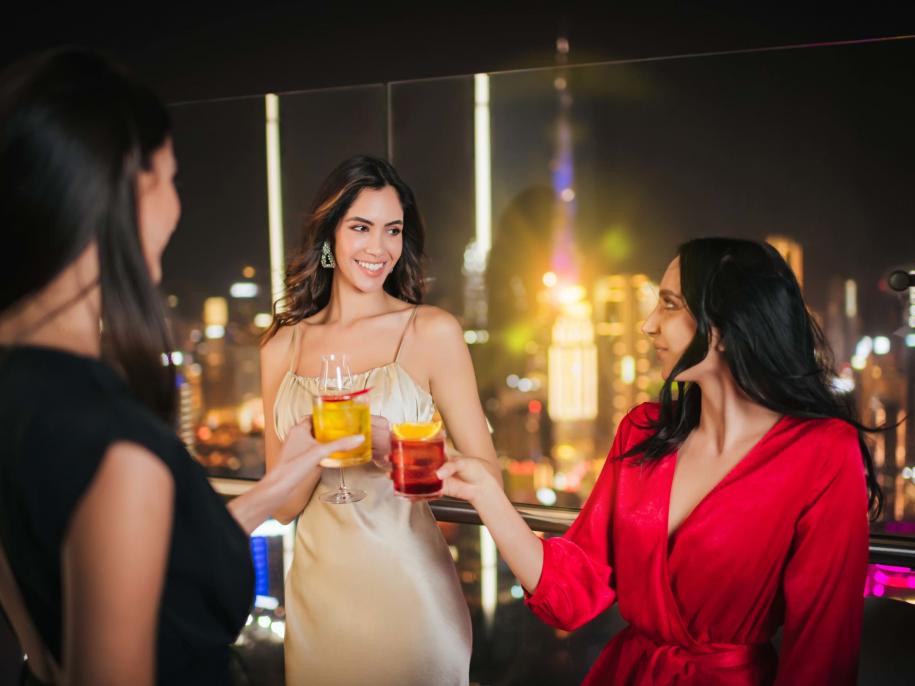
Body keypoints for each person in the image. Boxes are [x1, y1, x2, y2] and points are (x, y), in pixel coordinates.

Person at [0, 49, 371, 686]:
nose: (177, 208)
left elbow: (97, 591)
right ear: (122, 194)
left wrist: (279, 483)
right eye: (169, 179)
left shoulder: (21, 394)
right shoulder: (116, 443)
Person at [439, 237, 880, 685]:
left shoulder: (822, 452)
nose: (649, 325)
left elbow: (822, 652)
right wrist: (483, 492)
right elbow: (570, 594)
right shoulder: (644, 432)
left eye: (669, 305)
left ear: (726, 325)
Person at [260, 155, 500, 686]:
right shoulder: (282, 346)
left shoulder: (431, 331)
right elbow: (284, 503)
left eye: (392, 230)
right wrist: (312, 445)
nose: (378, 249)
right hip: (318, 603)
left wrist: (394, 446)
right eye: (361, 228)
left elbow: (487, 477)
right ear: (329, 236)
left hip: (410, 593)